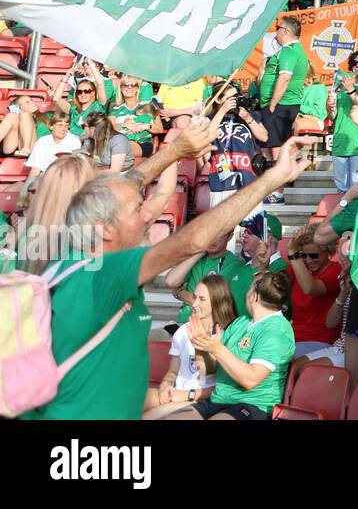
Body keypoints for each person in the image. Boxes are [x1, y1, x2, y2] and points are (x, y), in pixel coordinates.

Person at [22, 130, 311, 419]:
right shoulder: (106, 271)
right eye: (137, 210)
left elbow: (122, 189)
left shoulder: (71, 256)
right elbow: (194, 239)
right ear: (104, 229)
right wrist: (273, 178)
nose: (149, 216)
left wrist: (173, 152)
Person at [164, 269, 297, 420]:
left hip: (251, 406)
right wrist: (201, 344)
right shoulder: (242, 322)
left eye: (249, 288)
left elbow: (250, 379)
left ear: (254, 296)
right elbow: (209, 370)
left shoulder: (277, 330)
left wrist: (217, 348)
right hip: (217, 401)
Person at [143, 274, 238, 418]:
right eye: (194, 297)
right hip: (178, 393)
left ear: (217, 302)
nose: (194, 304)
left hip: (203, 401)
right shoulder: (182, 331)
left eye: (202, 299)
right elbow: (173, 372)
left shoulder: (228, 334)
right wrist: (165, 385)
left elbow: (219, 384)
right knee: (130, 401)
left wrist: (187, 394)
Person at [164, 226, 255, 328]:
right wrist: (199, 252)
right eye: (209, 233)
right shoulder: (196, 260)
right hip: (182, 323)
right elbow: (170, 282)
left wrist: (181, 294)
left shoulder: (236, 265)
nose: (213, 238)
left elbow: (214, 303)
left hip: (210, 328)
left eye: (219, 234)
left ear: (230, 236)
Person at [283, 226, 342, 357]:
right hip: (293, 337)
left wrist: (293, 254)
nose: (309, 260)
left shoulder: (336, 270)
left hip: (321, 340)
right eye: (304, 255)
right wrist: (264, 264)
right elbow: (275, 284)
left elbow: (310, 288)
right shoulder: (301, 267)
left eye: (314, 255)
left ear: (327, 251)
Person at [258, 15, 309, 159]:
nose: (276, 33)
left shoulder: (289, 50)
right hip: (283, 104)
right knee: (271, 147)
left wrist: (272, 104)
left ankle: (278, 180)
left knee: (275, 149)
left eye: (277, 28)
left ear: (285, 31)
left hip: (280, 104)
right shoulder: (294, 50)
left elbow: (285, 77)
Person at [328, 50, 358, 195]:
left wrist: (351, 90)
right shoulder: (342, 85)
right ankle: (341, 217)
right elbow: (333, 116)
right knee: (341, 191)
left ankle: (354, 218)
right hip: (340, 140)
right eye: (354, 63)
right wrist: (330, 106)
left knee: (357, 189)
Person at [109, 76, 163, 158]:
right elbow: (108, 128)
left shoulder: (149, 105)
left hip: (141, 143)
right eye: (125, 85)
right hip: (119, 141)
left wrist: (143, 126)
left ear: (138, 88)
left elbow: (159, 129)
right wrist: (124, 124)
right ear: (120, 88)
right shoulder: (116, 109)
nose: (129, 87)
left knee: (121, 146)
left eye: (133, 85)